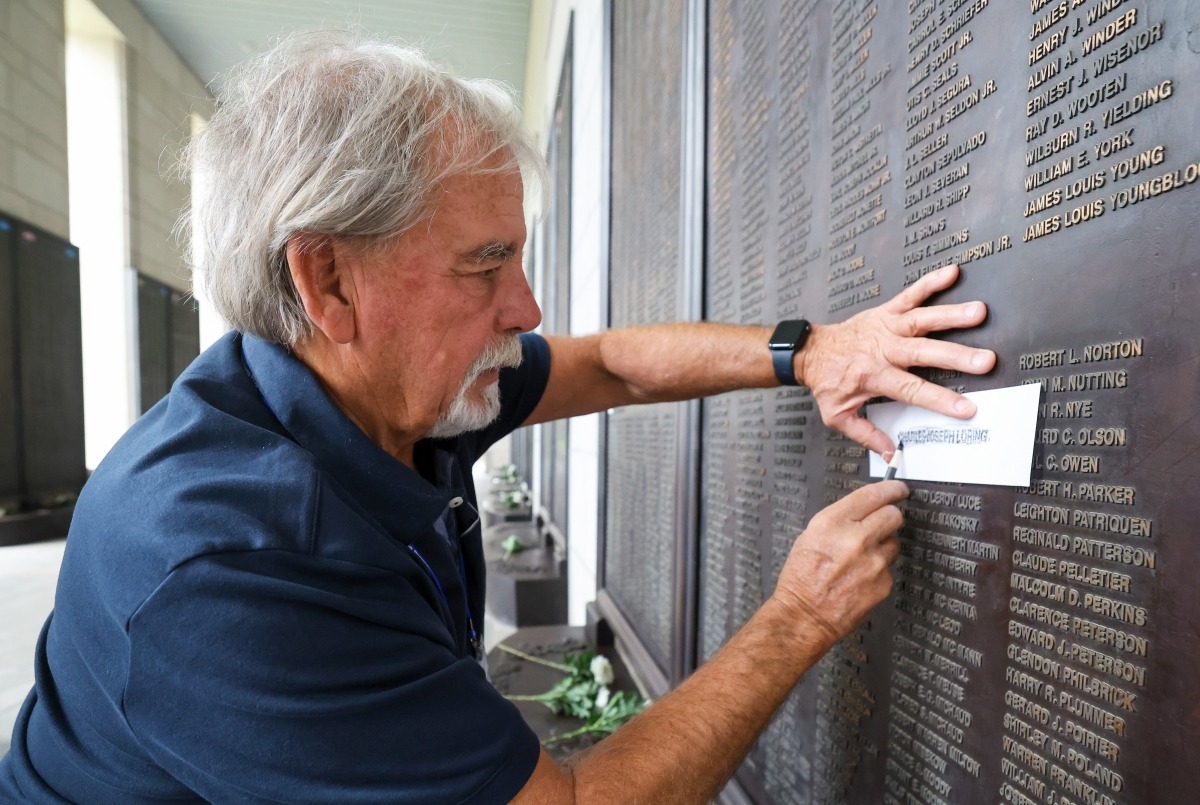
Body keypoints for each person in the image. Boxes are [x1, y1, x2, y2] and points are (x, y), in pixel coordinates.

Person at [0, 30, 996, 804]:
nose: (525, 308)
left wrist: (807, 350)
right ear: (328, 278)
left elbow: (609, 364)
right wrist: (800, 617)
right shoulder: (225, 566)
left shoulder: (380, 386)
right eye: (484, 264)